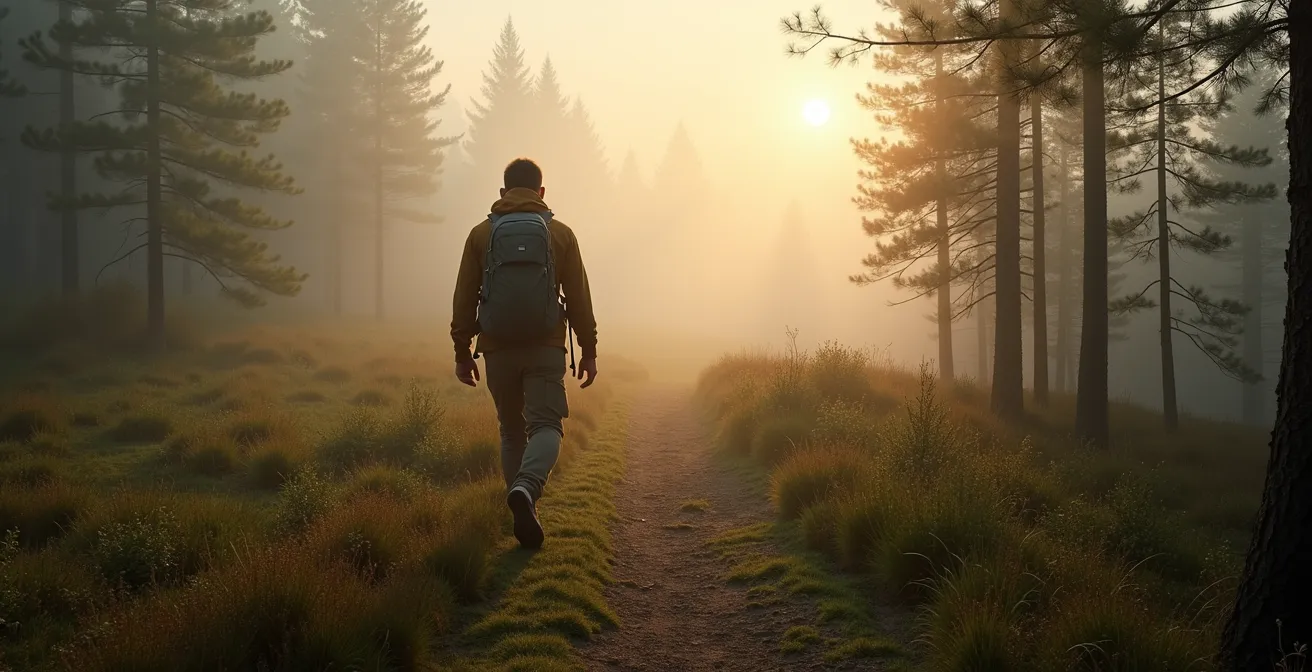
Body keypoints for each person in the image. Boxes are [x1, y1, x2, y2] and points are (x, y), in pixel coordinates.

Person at [450, 158, 599, 550]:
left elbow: (464, 296)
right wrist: (589, 349)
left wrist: (462, 352)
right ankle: (527, 490)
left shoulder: (480, 235)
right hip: (546, 346)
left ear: (502, 193)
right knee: (547, 426)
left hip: (497, 349)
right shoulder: (560, 234)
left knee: (511, 430)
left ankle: (522, 503)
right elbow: (579, 296)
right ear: (541, 193)